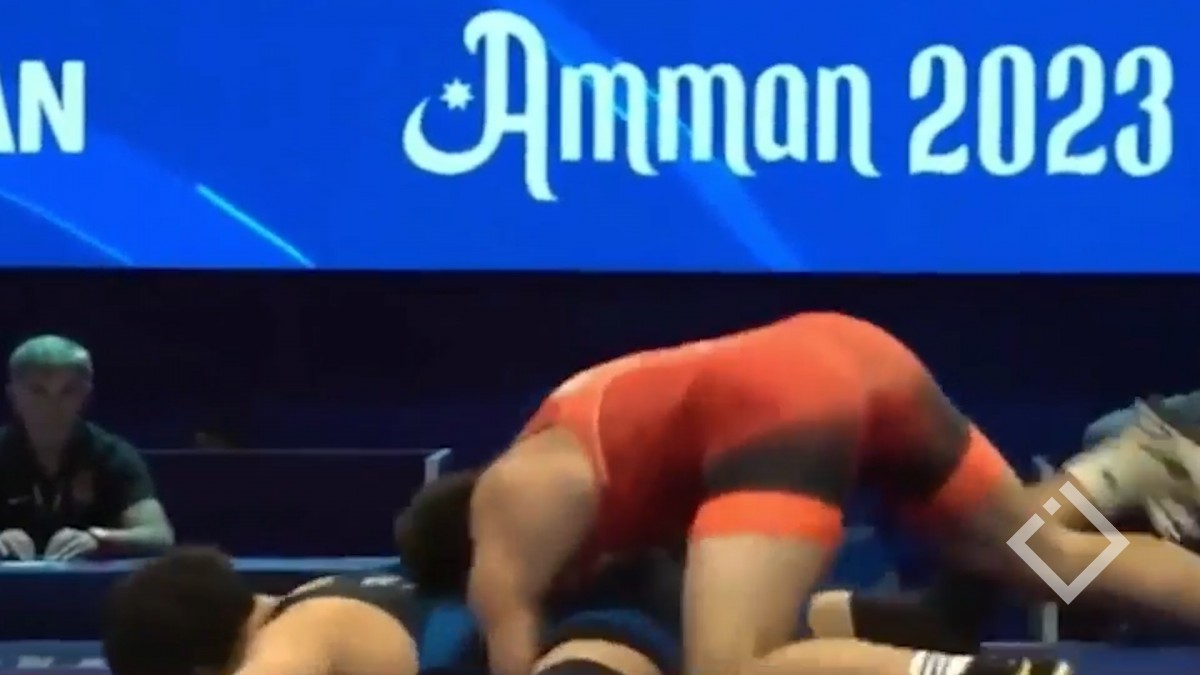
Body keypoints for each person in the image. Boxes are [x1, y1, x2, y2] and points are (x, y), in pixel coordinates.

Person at [397, 312, 1200, 675]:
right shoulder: (589, 455)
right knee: (1047, 554)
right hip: (866, 361)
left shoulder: (504, 505)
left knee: (731, 665)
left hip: (783, 408)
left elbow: (512, 652)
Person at [807, 394, 1200, 650]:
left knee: (1039, 537)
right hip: (1166, 442)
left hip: (1163, 444)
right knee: (1032, 536)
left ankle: (958, 606)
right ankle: (957, 606)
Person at [0, 335, 173, 560]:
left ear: (85, 395)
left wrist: (101, 540)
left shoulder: (111, 454)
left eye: (68, 391)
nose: (52, 406)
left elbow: (159, 536)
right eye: (38, 391)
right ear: (13, 396)